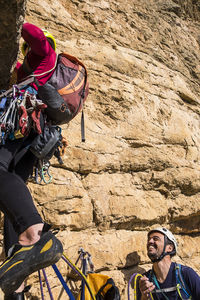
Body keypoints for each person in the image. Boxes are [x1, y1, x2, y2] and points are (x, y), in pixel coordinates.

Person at [0, 23, 63, 299]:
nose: (27, 51)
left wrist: (17, 24)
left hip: (23, 127)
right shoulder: (28, 70)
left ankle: (33, 233)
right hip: (30, 135)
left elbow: (37, 38)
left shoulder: (45, 55)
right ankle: (17, 255)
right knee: (10, 188)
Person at [139, 227, 200, 300]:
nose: (150, 241)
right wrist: (144, 297)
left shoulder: (186, 274)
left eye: (156, 238)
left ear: (169, 248)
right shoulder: (145, 281)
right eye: (149, 239)